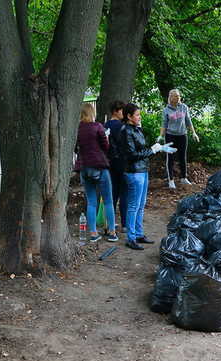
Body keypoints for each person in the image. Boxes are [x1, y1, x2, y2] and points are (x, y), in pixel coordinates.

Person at [122, 103, 177, 250]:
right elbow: (132, 155)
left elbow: (142, 149)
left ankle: (139, 234)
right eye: (137, 115)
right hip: (134, 172)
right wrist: (153, 150)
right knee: (133, 206)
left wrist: (159, 148)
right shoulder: (126, 131)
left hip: (143, 170)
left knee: (140, 205)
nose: (140, 117)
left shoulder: (136, 129)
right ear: (129, 116)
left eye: (140, 114)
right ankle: (131, 238)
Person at [76, 103, 118, 243]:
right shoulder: (98, 126)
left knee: (91, 202)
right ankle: (112, 232)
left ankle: (93, 233)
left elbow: (77, 149)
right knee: (108, 201)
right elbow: (105, 147)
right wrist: (106, 137)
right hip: (100, 167)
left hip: (84, 168)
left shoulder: (77, 129)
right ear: (91, 113)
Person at [158, 89, 199, 189]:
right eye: (175, 96)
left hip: (182, 135)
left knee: (182, 157)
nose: (178, 97)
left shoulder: (184, 107)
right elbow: (164, 124)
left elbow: (188, 121)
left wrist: (194, 132)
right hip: (170, 135)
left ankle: (183, 178)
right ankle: (171, 180)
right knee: (170, 158)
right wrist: (161, 136)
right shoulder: (166, 110)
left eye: (179, 96)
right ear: (170, 97)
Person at [104, 100, 126, 232]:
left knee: (112, 194)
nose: (123, 113)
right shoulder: (121, 126)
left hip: (109, 162)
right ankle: (125, 224)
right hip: (121, 162)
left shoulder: (105, 125)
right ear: (116, 111)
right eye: (122, 111)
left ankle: (109, 224)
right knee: (124, 193)